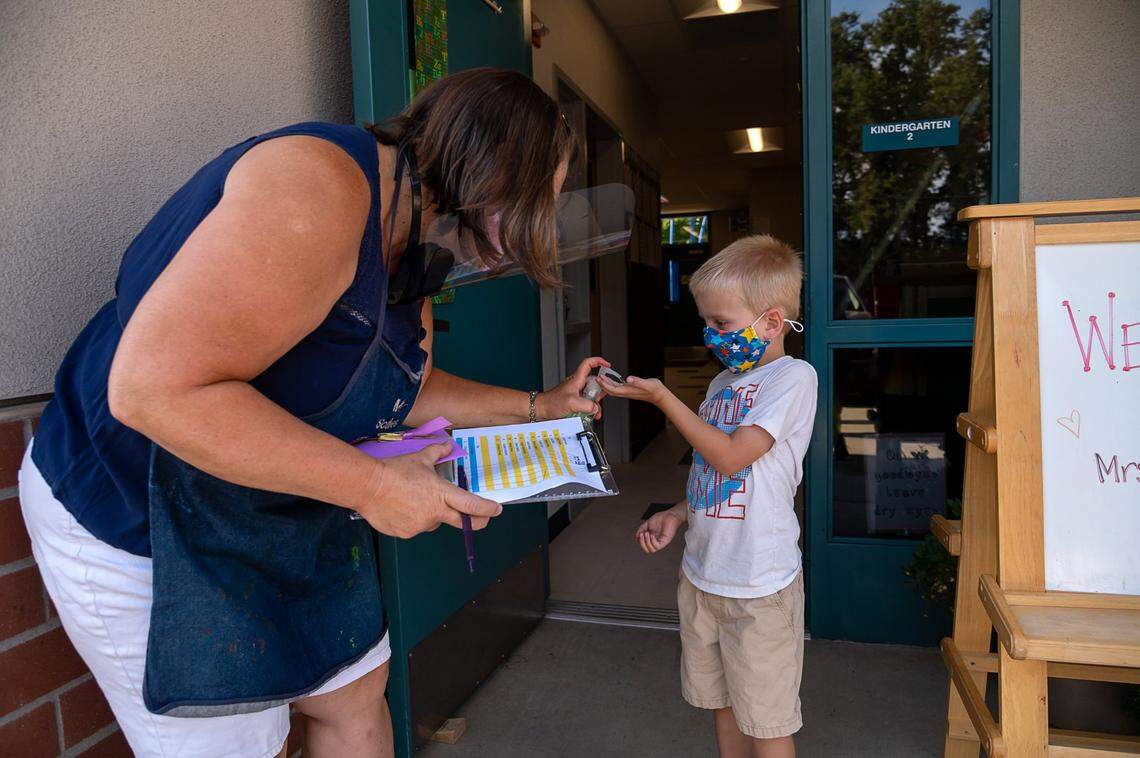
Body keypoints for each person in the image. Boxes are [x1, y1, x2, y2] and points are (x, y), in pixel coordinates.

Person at [18, 68, 610, 758]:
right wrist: (378, 487)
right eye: (540, 196)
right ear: (492, 166)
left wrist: (541, 407)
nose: (528, 232)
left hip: (268, 500)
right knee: (247, 738)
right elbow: (154, 392)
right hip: (140, 510)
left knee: (354, 689)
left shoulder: (412, 239)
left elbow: (405, 386)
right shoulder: (316, 186)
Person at [600, 235, 817, 758]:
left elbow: (731, 456)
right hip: (703, 576)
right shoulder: (722, 383)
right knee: (722, 704)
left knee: (766, 720)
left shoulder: (792, 379)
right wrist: (678, 514)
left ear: (769, 322)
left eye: (721, 323)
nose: (711, 334)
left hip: (759, 587)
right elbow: (711, 474)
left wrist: (661, 397)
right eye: (707, 323)